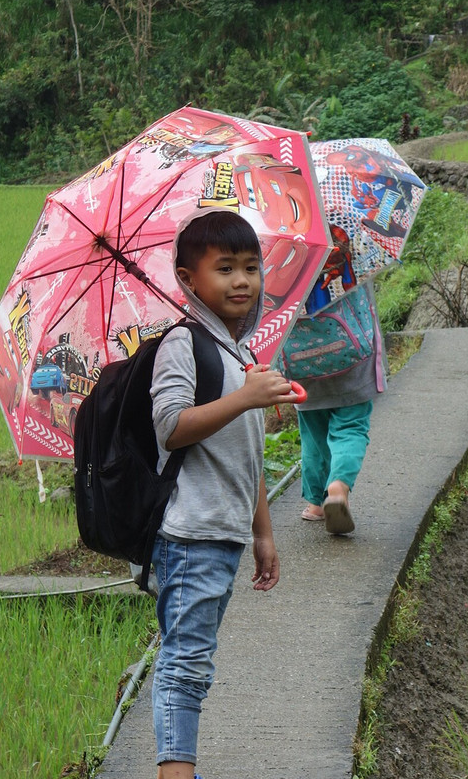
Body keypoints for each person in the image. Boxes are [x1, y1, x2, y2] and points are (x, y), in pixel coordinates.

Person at [149, 208, 299, 779]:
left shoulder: (239, 355)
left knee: (191, 659)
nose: (242, 281)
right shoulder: (182, 344)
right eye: (225, 268)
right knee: (185, 663)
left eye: (251, 268)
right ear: (188, 280)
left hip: (223, 531)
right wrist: (243, 398)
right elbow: (170, 425)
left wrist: (263, 532)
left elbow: (248, 456)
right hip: (190, 531)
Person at [285, 281, 386, 535]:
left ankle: (317, 504)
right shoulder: (349, 247)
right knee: (351, 428)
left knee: (313, 435)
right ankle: (338, 488)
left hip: (300, 361)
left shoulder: (276, 256)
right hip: (351, 354)